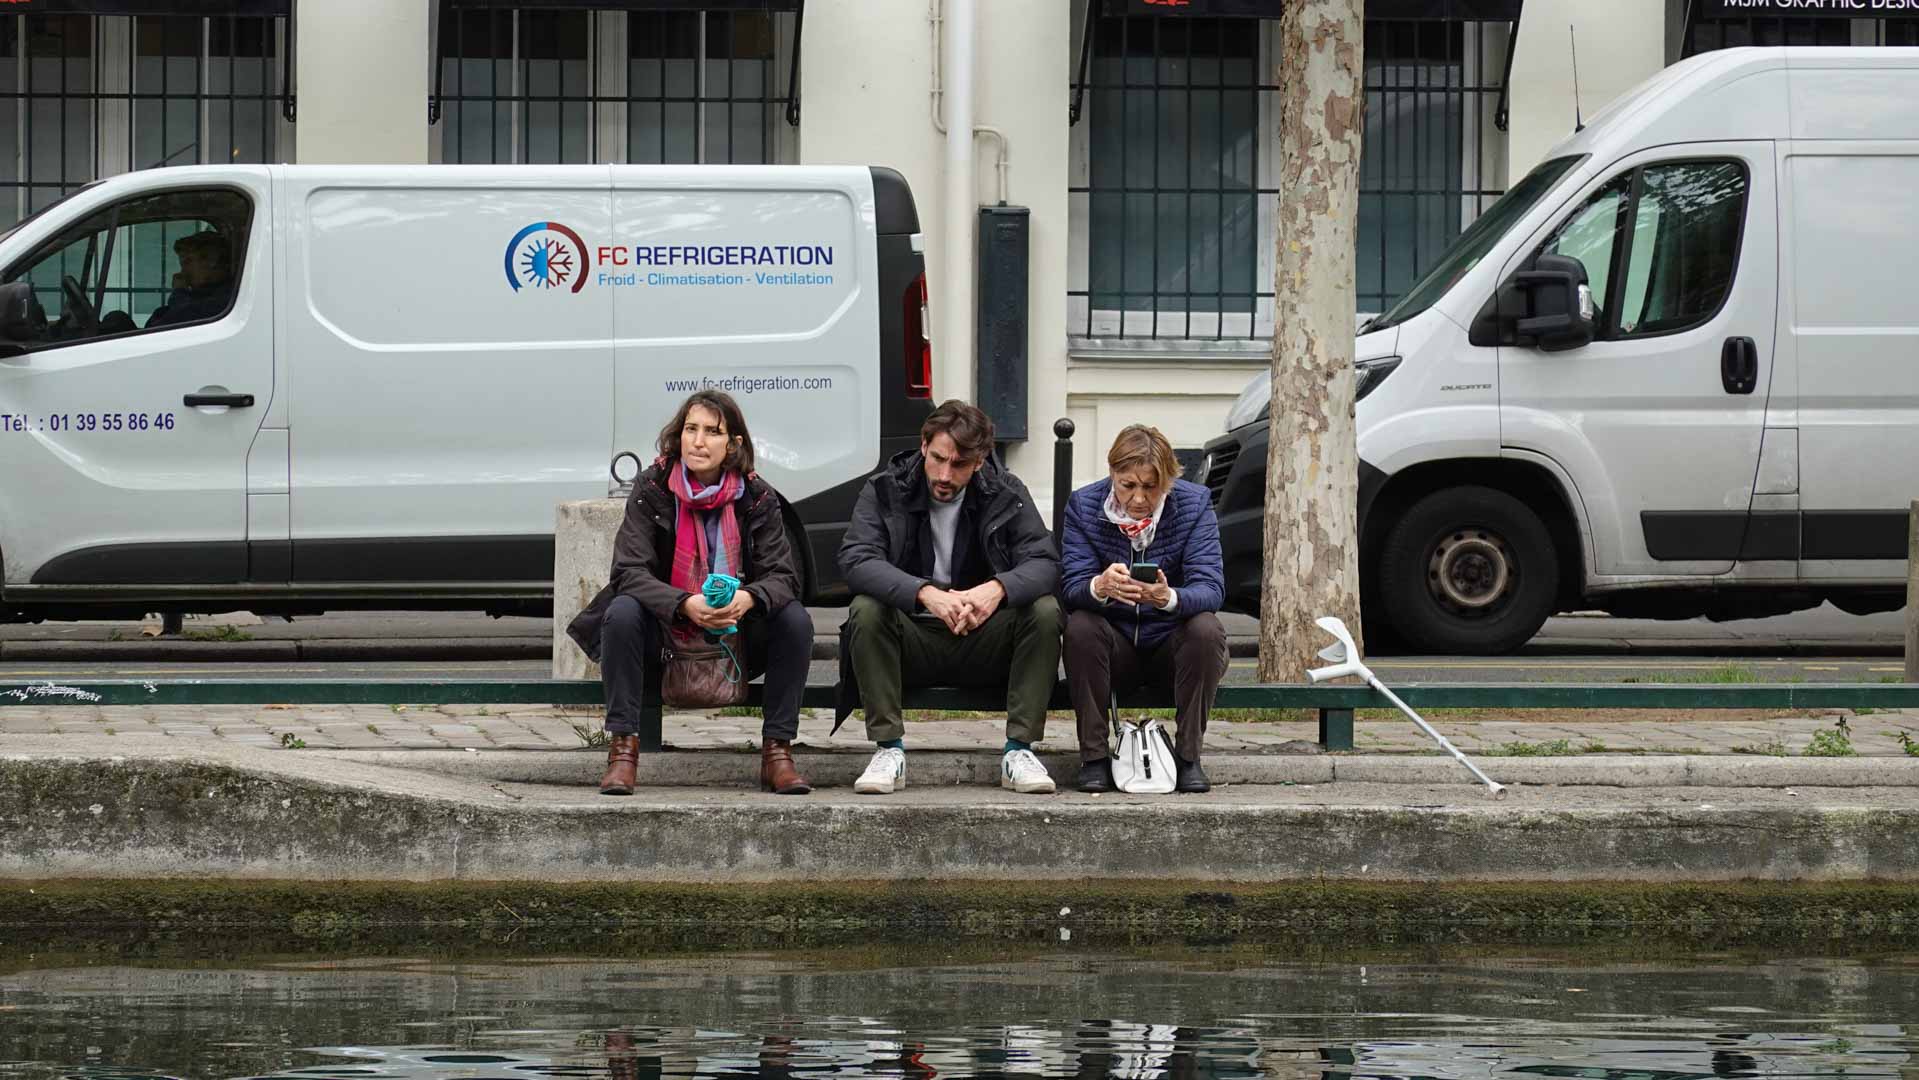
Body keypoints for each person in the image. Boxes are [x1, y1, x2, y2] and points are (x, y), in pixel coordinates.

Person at [567, 390, 815, 796]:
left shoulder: (758, 497)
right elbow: (628, 571)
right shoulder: (652, 487)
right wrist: (684, 604)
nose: (698, 442)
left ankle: (777, 753)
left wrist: (748, 598)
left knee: (795, 619)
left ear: (733, 444)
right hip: (666, 631)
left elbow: (784, 576)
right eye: (690, 429)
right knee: (623, 611)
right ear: (678, 435)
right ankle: (623, 751)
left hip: (736, 633)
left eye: (712, 432)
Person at [835, 399, 1063, 795]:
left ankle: (1019, 752)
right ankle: (889, 750)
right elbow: (856, 559)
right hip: (912, 639)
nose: (944, 474)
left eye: (959, 465)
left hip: (983, 639)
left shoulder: (1006, 490)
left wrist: (996, 590)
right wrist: (924, 593)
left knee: (1044, 611)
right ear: (923, 445)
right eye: (938, 458)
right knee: (866, 609)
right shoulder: (886, 488)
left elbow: (1044, 562)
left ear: (979, 461)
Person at [1060, 424, 1227, 793]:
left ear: (1167, 481)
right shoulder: (1084, 506)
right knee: (1081, 626)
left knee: (1207, 628)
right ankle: (1094, 758)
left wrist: (1167, 597)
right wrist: (1099, 586)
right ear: (1112, 474)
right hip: (1114, 649)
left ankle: (1188, 758)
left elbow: (1211, 589)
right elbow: (1071, 588)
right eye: (1127, 486)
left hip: (1172, 648)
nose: (1138, 499)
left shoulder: (1194, 504)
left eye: (1151, 487)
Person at [146, 232, 234, 328]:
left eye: (187, 262)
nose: (183, 271)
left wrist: (179, 291)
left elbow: (186, 317)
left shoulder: (228, 297)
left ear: (212, 261)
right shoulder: (201, 295)